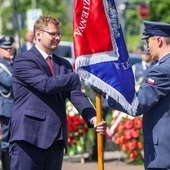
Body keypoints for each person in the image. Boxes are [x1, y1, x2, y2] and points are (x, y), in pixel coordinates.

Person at [9, 15, 106, 170]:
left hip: (55, 142)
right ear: (38, 34)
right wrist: (77, 75)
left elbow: (76, 94)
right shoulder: (23, 60)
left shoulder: (64, 64)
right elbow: (45, 85)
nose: (57, 38)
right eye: (52, 34)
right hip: (29, 139)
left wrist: (94, 118)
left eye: (58, 34)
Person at [107, 20, 170, 170]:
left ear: (159, 41)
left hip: (163, 155)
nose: (147, 47)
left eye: (148, 41)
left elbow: (137, 105)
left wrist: (109, 93)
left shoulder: (161, 70)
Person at [0, 36, 15, 170]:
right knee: (6, 141)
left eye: (10, 48)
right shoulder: (1, 66)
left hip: (15, 106)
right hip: (6, 107)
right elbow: (9, 82)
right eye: (5, 48)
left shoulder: (12, 63)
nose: (8, 50)